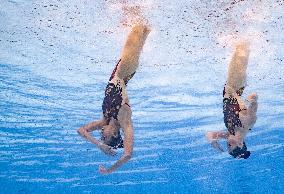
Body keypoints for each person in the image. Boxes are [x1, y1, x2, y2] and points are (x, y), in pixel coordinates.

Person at [77, 24, 150, 174]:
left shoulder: (104, 120)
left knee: (144, 29)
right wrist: (109, 171)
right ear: (115, 134)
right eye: (104, 138)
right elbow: (128, 154)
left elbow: (81, 130)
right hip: (125, 71)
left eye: (101, 137)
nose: (101, 135)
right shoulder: (124, 120)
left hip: (121, 71)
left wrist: (99, 145)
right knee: (137, 25)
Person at [206, 41, 258, 159]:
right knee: (242, 47)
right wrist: (253, 100)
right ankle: (246, 33)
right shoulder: (247, 124)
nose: (227, 142)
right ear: (240, 143)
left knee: (240, 48)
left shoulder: (231, 133)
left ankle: (238, 33)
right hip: (236, 85)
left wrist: (212, 141)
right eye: (230, 145)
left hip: (231, 87)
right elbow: (254, 100)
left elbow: (210, 134)